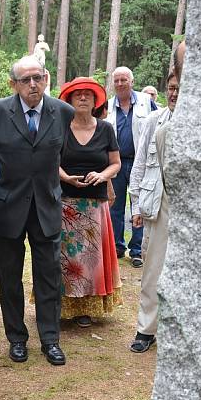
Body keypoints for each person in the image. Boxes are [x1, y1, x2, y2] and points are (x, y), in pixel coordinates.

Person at [0, 55, 73, 366]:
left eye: (38, 77)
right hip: (6, 207)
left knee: (48, 275)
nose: (33, 84)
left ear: (46, 78)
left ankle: (50, 339)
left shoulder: (63, 112)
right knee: (9, 276)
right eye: (25, 79)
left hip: (46, 206)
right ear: (14, 84)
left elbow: (62, 157)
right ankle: (17, 338)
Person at [57, 77, 122, 327]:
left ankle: (85, 309)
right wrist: (66, 178)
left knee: (90, 259)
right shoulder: (61, 128)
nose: (83, 98)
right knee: (67, 258)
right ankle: (64, 306)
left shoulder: (106, 129)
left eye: (88, 94)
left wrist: (102, 175)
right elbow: (51, 161)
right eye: (77, 94)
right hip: (65, 203)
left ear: (96, 101)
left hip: (95, 204)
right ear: (70, 100)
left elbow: (115, 163)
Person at [128, 71, 179, 352]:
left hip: (184, 206)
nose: (173, 94)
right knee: (152, 270)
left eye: (179, 88)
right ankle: (146, 329)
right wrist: (136, 205)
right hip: (157, 204)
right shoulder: (153, 121)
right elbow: (138, 165)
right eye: (171, 88)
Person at [106, 66, 157, 267]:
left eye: (123, 80)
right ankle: (117, 247)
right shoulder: (108, 105)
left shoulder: (147, 102)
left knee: (140, 204)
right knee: (115, 206)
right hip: (116, 162)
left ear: (132, 82)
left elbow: (157, 124)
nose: (120, 84)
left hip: (141, 162)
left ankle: (136, 250)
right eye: (116, 80)